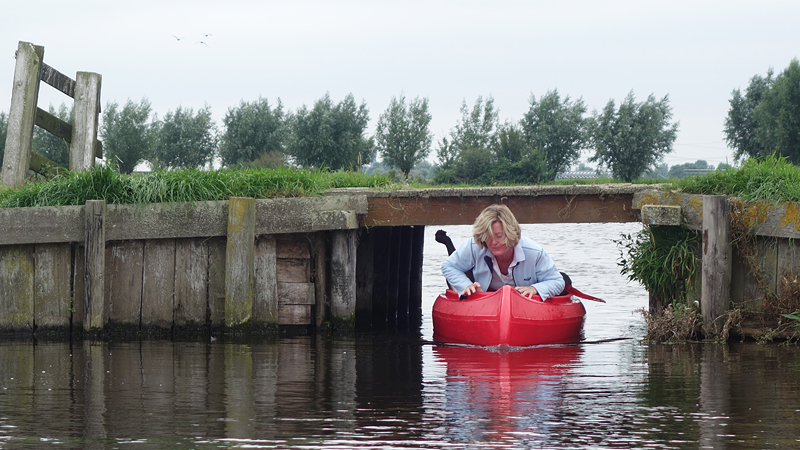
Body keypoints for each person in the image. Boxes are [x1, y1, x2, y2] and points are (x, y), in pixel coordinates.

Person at [441, 204, 564, 300]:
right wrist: (466, 285)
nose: (493, 242)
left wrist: (534, 288)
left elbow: (558, 282)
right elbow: (449, 266)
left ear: (510, 233)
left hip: (523, 303)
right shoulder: (474, 245)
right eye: (488, 237)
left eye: (499, 236)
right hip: (484, 302)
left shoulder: (534, 252)